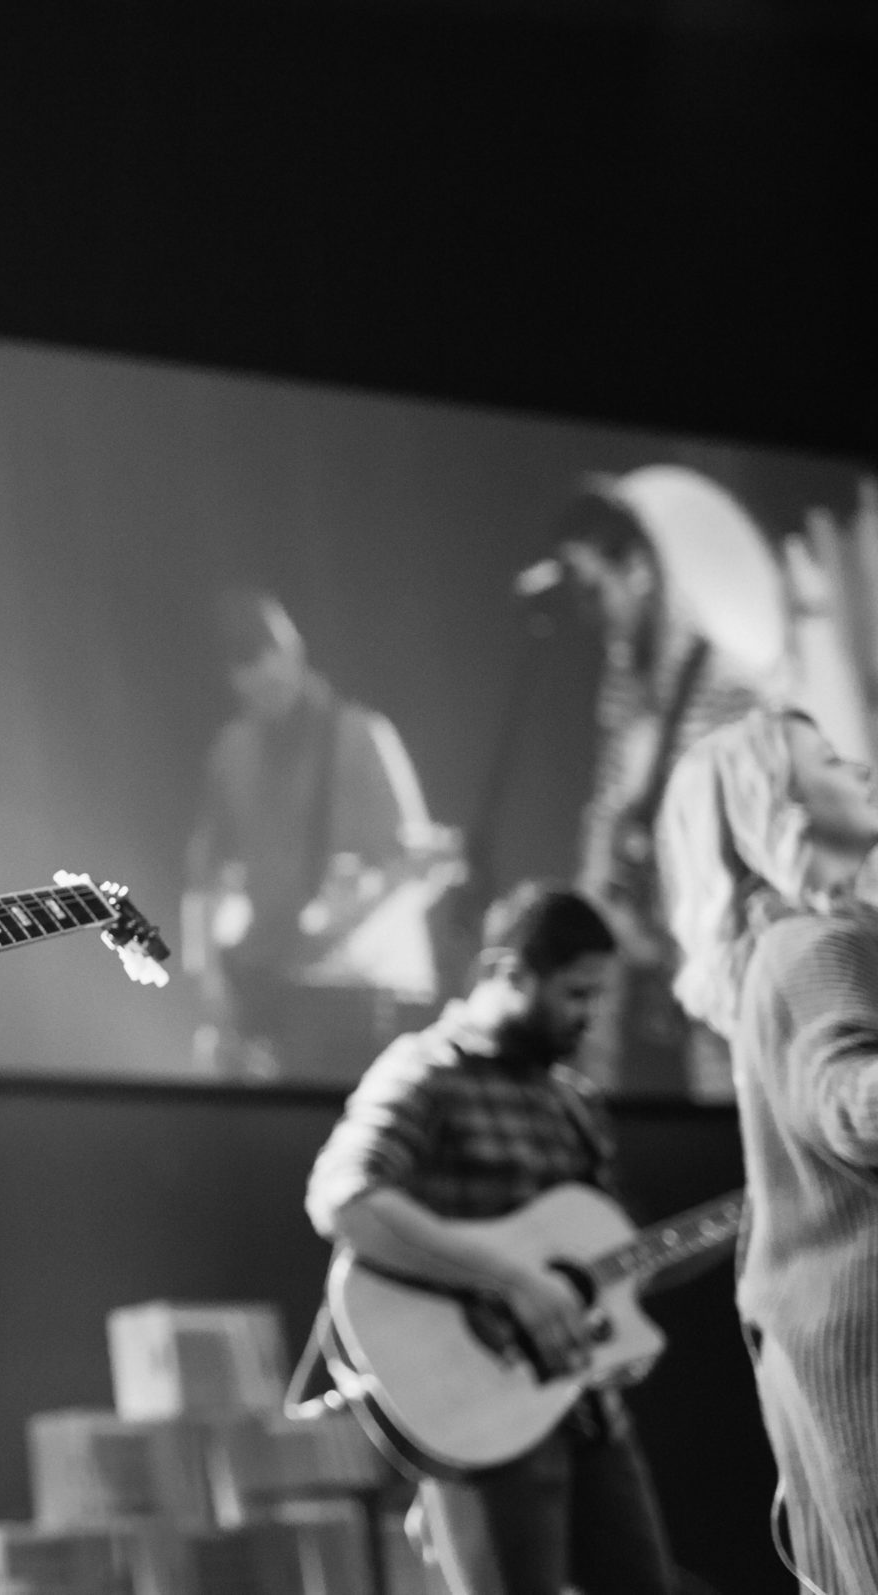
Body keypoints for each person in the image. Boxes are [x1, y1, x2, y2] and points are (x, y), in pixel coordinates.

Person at [305, 883, 677, 1595]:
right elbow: (345, 1198)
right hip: (479, 1422)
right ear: (507, 972)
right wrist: (509, 1279)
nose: (589, 1016)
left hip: (587, 1412)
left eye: (598, 997)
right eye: (575, 994)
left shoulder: (573, 1101)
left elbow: (596, 1267)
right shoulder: (426, 1071)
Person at [656, 709, 878, 1592]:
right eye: (828, 760)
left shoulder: (782, 954)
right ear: (774, 803)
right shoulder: (816, 945)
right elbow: (857, 1107)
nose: (861, 767)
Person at [185, 589, 453, 1084]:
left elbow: (417, 864)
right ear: (233, 679)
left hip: (359, 993)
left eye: (275, 655)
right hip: (273, 988)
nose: (268, 675)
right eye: (248, 666)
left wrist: (347, 920)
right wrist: (209, 980)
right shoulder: (233, 752)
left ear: (295, 651)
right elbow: (204, 877)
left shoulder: (360, 736)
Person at [553, 487, 761, 1096]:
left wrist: (664, 935)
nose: (588, 613)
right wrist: (593, 918)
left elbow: (745, 852)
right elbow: (607, 814)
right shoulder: (622, 683)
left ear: (640, 571)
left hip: (710, 985)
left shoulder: (728, 688)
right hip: (635, 985)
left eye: (595, 589)